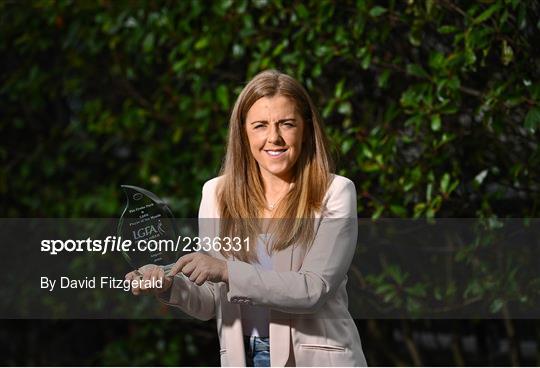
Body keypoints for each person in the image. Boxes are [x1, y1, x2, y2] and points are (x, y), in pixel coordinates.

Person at [126, 70, 367, 367]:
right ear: (243, 132)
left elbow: (312, 289)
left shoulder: (335, 192)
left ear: (306, 128)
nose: (273, 137)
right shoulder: (216, 193)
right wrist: (168, 284)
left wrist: (226, 270)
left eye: (287, 124)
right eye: (260, 126)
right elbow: (210, 300)